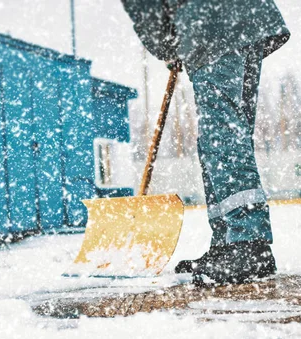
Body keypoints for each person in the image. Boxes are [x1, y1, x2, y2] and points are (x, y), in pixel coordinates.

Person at [121, 0, 290, 284]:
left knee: (222, 135)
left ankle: (246, 243)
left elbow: (147, 9)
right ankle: (230, 242)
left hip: (212, 22)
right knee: (228, 134)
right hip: (246, 18)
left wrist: (168, 48)